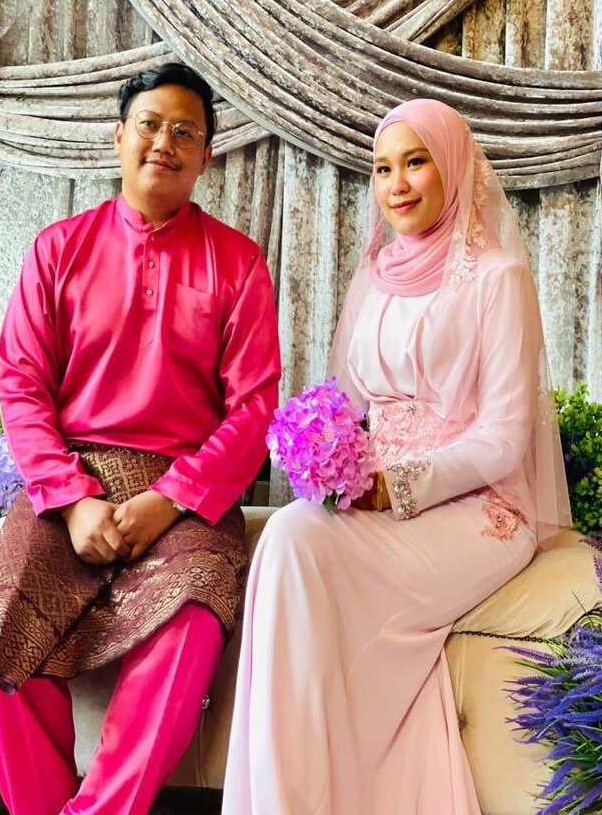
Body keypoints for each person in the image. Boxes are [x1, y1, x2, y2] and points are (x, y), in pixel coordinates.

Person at [221, 98, 571, 815]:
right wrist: (333, 458)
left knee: (305, 553)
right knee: (286, 536)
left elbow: (505, 437)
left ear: (454, 167)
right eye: (383, 169)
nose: (397, 184)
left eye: (416, 162)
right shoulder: (378, 274)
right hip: (379, 499)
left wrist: (399, 485)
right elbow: (354, 405)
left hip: (477, 511)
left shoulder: (498, 277)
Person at [0, 62, 281, 815]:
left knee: (193, 621)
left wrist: (170, 499)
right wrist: (72, 499)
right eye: (149, 124)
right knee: (0, 624)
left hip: (186, 494)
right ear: (118, 136)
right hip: (67, 485)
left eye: (185, 132)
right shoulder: (58, 249)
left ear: (206, 157)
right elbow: (21, 384)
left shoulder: (238, 263)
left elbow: (254, 409)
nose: (164, 142)